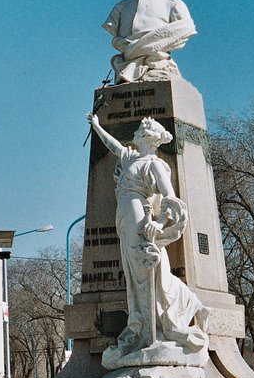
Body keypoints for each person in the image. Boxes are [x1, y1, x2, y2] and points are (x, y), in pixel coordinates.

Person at [86, 113, 208, 363]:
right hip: (124, 217)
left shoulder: (154, 164)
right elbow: (113, 146)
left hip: (139, 216)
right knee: (136, 275)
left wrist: (159, 222)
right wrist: (97, 126)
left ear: (146, 138)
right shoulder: (132, 156)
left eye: (140, 130)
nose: (134, 133)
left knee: (148, 275)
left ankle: (169, 319)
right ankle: (150, 321)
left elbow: (171, 199)